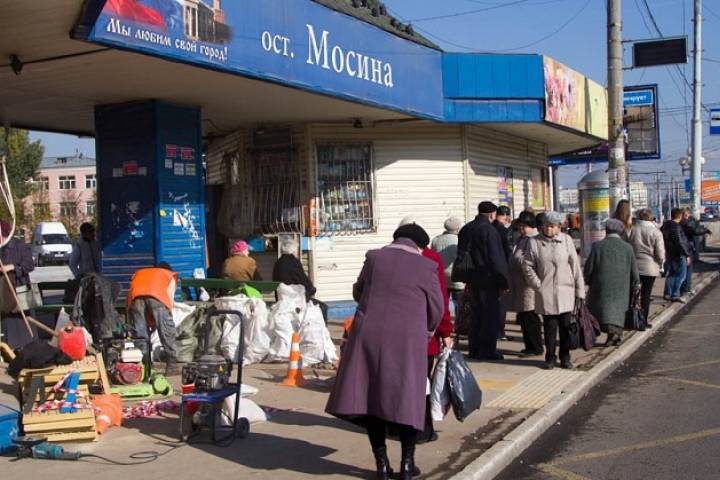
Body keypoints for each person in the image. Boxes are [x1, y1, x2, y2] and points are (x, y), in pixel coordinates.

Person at [326, 223, 444, 480]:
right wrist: (426, 333)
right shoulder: (426, 266)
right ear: (419, 245)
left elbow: (358, 291)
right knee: (408, 400)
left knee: (371, 399)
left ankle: (381, 466)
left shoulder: (374, 257)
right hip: (407, 340)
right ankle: (406, 465)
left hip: (367, 336)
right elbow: (436, 309)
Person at [399, 217, 453, 444]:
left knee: (401, 381)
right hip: (424, 335)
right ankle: (421, 429)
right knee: (422, 383)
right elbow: (438, 299)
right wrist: (446, 331)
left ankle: (399, 425)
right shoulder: (431, 259)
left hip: (394, 335)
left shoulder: (386, 257)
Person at [522, 211, 585, 370]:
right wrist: (538, 285)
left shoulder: (566, 240)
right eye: (545, 226)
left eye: (552, 226)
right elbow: (527, 266)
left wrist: (580, 291)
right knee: (550, 328)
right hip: (546, 292)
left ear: (559, 227)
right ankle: (550, 356)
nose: (548, 229)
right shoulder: (534, 242)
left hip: (566, 291)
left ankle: (565, 356)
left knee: (566, 327)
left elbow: (575, 267)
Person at [457, 201, 510, 361]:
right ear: (492, 214)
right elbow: (496, 258)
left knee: (476, 315)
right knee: (490, 315)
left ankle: (474, 348)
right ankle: (487, 351)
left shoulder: (466, 228)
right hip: (488, 279)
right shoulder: (489, 231)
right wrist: (504, 281)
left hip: (471, 277)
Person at [585, 219, 640, 346]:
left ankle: (604, 332)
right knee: (618, 312)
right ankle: (615, 332)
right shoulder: (628, 248)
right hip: (622, 288)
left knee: (600, 311)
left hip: (601, 287)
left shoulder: (597, 246)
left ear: (606, 230)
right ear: (621, 231)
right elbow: (634, 271)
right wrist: (636, 284)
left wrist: (588, 280)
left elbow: (589, 268)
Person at [127, 262, 179, 375]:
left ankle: (146, 366)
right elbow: (169, 300)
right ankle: (172, 365)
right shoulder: (169, 275)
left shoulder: (142, 273)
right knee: (166, 329)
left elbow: (131, 296)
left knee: (141, 333)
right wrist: (163, 321)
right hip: (157, 296)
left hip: (136, 297)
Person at [509, 211, 543, 356]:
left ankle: (535, 347)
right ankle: (530, 345)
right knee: (524, 317)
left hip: (528, 284)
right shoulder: (523, 238)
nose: (521, 229)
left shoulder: (533, 239)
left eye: (524, 226)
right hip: (520, 284)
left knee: (530, 316)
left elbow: (531, 261)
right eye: (520, 226)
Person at [272, 237, 328, 322]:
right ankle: (322, 333)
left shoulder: (277, 263)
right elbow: (304, 281)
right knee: (323, 307)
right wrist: (312, 289)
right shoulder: (294, 262)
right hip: (296, 300)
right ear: (293, 250)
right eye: (297, 249)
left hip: (282, 300)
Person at [0, 221, 36, 349]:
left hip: (19, 292)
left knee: (22, 323)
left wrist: (12, 267)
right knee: (7, 325)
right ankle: (9, 349)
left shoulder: (18, 245)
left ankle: (27, 348)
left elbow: (29, 265)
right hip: (4, 294)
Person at [628, 208, 665, 326]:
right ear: (651, 218)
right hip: (650, 267)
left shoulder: (632, 230)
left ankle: (631, 319)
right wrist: (661, 263)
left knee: (633, 293)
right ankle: (643, 320)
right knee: (646, 294)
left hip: (634, 266)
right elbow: (660, 253)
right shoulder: (655, 232)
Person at [430, 216, 465, 306]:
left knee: (443, 303)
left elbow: (433, 257)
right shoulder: (459, 240)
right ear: (458, 228)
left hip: (441, 275)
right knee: (459, 304)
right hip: (456, 277)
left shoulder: (436, 240)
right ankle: (458, 319)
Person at [662, 208, 692, 303]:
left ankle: (668, 293)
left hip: (670, 253)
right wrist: (686, 254)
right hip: (678, 254)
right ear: (679, 216)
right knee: (681, 275)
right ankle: (675, 294)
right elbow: (679, 242)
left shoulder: (665, 225)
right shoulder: (676, 227)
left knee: (671, 274)